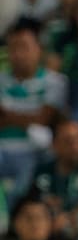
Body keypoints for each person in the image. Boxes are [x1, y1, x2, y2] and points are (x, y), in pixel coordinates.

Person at [0, 19, 67, 198]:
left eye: (24, 47)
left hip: (35, 152)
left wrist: (7, 116)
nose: (18, 54)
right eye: (13, 48)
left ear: (39, 49)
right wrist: (30, 117)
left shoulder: (55, 82)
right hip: (1, 148)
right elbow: (37, 117)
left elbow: (44, 119)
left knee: (21, 189)